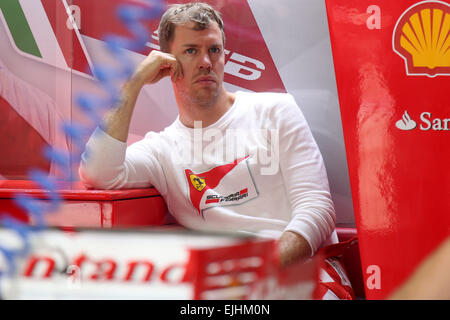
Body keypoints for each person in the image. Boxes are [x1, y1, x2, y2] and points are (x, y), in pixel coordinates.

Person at [79, 3, 348, 298]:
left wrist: (255, 271)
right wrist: (134, 83)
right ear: (167, 63)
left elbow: (318, 209)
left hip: (304, 273)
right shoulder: (163, 149)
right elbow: (98, 172)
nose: (206, 61)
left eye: (214, 50)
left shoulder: (274, 111)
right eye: (191, 51)